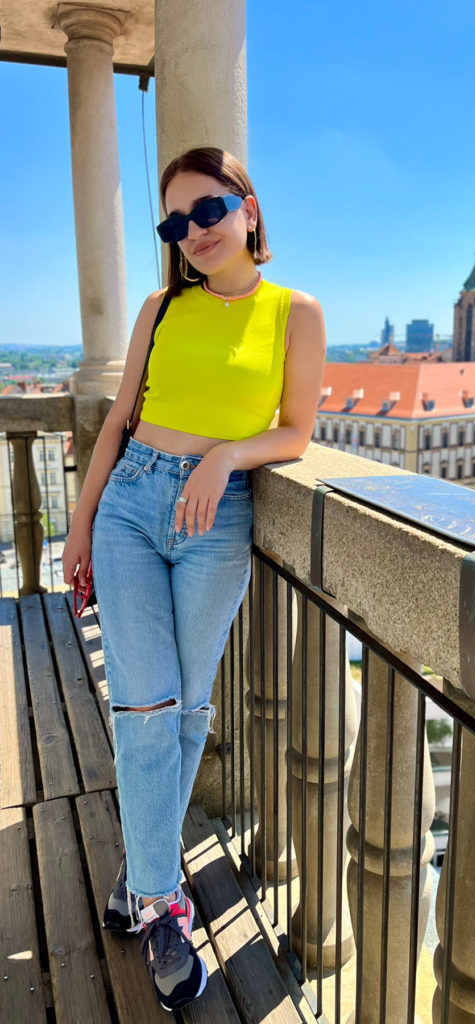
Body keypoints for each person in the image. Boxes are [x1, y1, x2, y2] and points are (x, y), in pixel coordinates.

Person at [62, 146, 326, 1011]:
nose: (193, 233)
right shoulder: (159, 307)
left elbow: (294, 431)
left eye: (208, 211)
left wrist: (227, 456)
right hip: (133, 507)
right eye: (175, 223)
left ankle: (142, 871)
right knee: (143, 710)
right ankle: (159, 901)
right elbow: (114, 426)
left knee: (187, 713)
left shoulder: (297, 312)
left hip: (218, 522)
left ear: (249, 208)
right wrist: (80, 522)